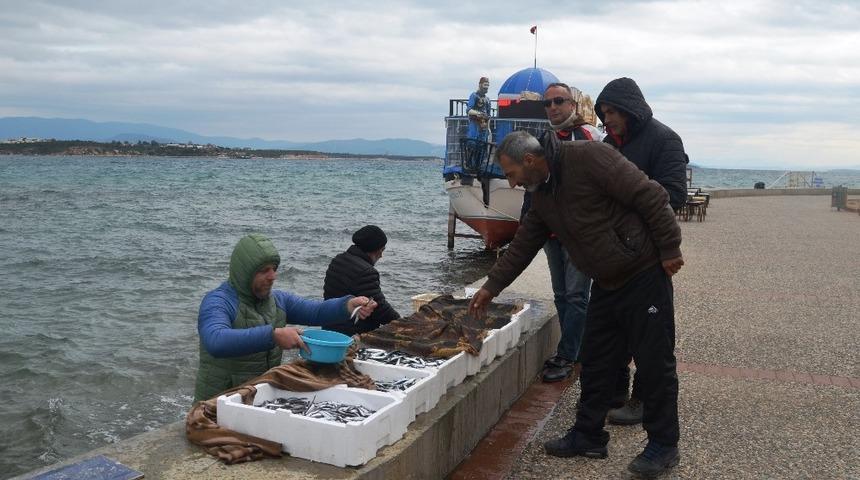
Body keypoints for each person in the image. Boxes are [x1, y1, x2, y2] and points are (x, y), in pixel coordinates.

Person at [469, 131, 684, 477]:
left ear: (529, 160)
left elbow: (650, 195)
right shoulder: (541, 193)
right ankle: (588, 435)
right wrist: (491, 286)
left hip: (643, 272)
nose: (512, 183)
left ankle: (664, 445)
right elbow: (524, 242)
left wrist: (670, 247)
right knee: (595, 361)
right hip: (606, 282)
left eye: (511, 174)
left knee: (654, 362)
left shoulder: (589, 157)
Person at [595, 77, 689, 425]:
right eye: (603, 113)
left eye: (612, 112)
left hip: (649, 255)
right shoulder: (608, 144)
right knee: (612, 332)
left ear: (630, 110)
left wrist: (625, 200)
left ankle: (645, 401)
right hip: (613, 255)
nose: (607, 119)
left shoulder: (665, 140)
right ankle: (614, 392)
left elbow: (674, 195)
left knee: (652, 337)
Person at [193, 233, 377, 402]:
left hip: (257, 394)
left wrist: (347, 305)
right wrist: (273, 336)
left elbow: (316, 311)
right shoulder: (218, 302)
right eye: (264, 270)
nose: (273, 276)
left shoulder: (278, 300)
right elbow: (215, 341)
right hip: (216, 402)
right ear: (244, 273)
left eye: (274, 269)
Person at [525, 82, 603, 382]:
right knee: (561, 294)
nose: (553, 107)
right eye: (547, 103)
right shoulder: (541, 141)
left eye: (559, 101)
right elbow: (533, 187)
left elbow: (606, 179)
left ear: (572, 104)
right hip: (551, 233)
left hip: (580, 234)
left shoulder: (590, 136)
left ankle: (568, 355)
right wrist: (528, 224)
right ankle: (574, 347)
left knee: (577, 295)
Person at [323, 225, 400, 336]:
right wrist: (401, 323)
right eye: (382, 250)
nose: (381, 255)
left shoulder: (338, 259)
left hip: (328, 326)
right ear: (374, 249)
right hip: (351, 333)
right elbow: (379, 309)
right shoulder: (366, 271)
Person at [467, 76, 491, 141]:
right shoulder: (474, 96)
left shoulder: (487, 99)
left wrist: (488, 128)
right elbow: (469, 110)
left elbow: (488, 116)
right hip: (475, 124)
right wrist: (479, 113)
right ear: (480, 84)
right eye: (485, 85)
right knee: (472, 142)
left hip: (484, 126)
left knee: (483, 143)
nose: (486, 87)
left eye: (488, 85)